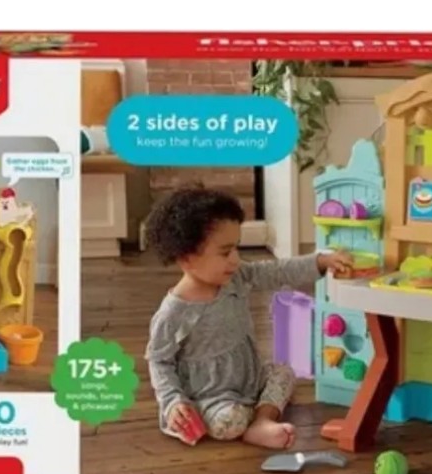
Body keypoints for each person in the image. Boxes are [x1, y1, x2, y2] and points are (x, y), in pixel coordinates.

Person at [143, 186, 352, 450]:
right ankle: (244, 421)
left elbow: (277, 271)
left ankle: (262, 421)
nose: (235, 259)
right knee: (230, 420)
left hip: (249, 379)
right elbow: (159, 361)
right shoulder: (173, 312)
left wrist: (320, 262)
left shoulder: (237, 277)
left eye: (236, 248)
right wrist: (173, 402)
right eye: (225, 252)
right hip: (208, 396)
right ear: (187, 258)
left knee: (284, 372)